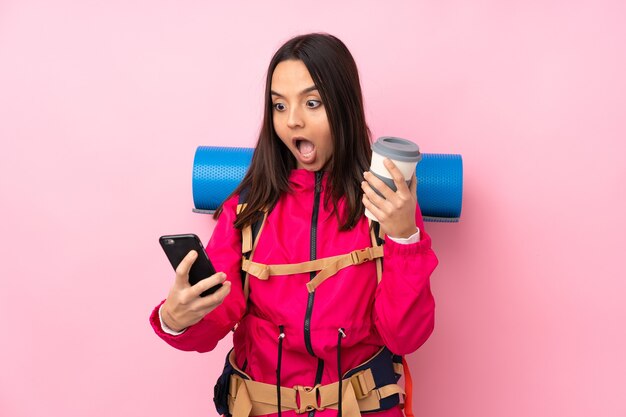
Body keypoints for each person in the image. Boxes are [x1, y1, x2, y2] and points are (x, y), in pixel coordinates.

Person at [150, 33, 438, 417]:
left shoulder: (387, 206)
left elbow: (405, 335)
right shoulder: (246, 208)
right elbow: (214, 318)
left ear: (345, 106)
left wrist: (404, 237)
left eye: (312, 103)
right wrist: (176, 319)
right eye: (279, 105)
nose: (292, 121)